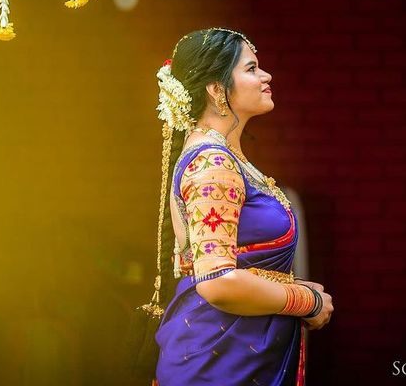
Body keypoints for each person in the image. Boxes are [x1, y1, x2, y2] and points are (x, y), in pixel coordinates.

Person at [142, 28, 334, 386]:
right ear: (216, 90)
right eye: (251, 68)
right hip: (219, 364)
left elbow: (240, 263)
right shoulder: (213, 163)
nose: (266, 76)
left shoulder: (222, 157)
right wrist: (305, 300)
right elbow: (218, 282)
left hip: (236, 353)